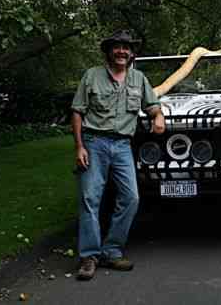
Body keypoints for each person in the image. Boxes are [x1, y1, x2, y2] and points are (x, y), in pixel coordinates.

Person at [71, 29, 165, 280]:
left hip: (123, 146)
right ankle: (89, 256)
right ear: (109, 51)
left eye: (127, 47)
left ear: (132, 53)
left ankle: (111, 250)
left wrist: (158, 116)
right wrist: (79, 146)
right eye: (117, 47)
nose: (122, 51)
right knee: (90, 199)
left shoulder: (139, 79)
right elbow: (78, 112)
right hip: (94, 142)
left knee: (131, 198)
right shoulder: (91, 76)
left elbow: (152, 106)